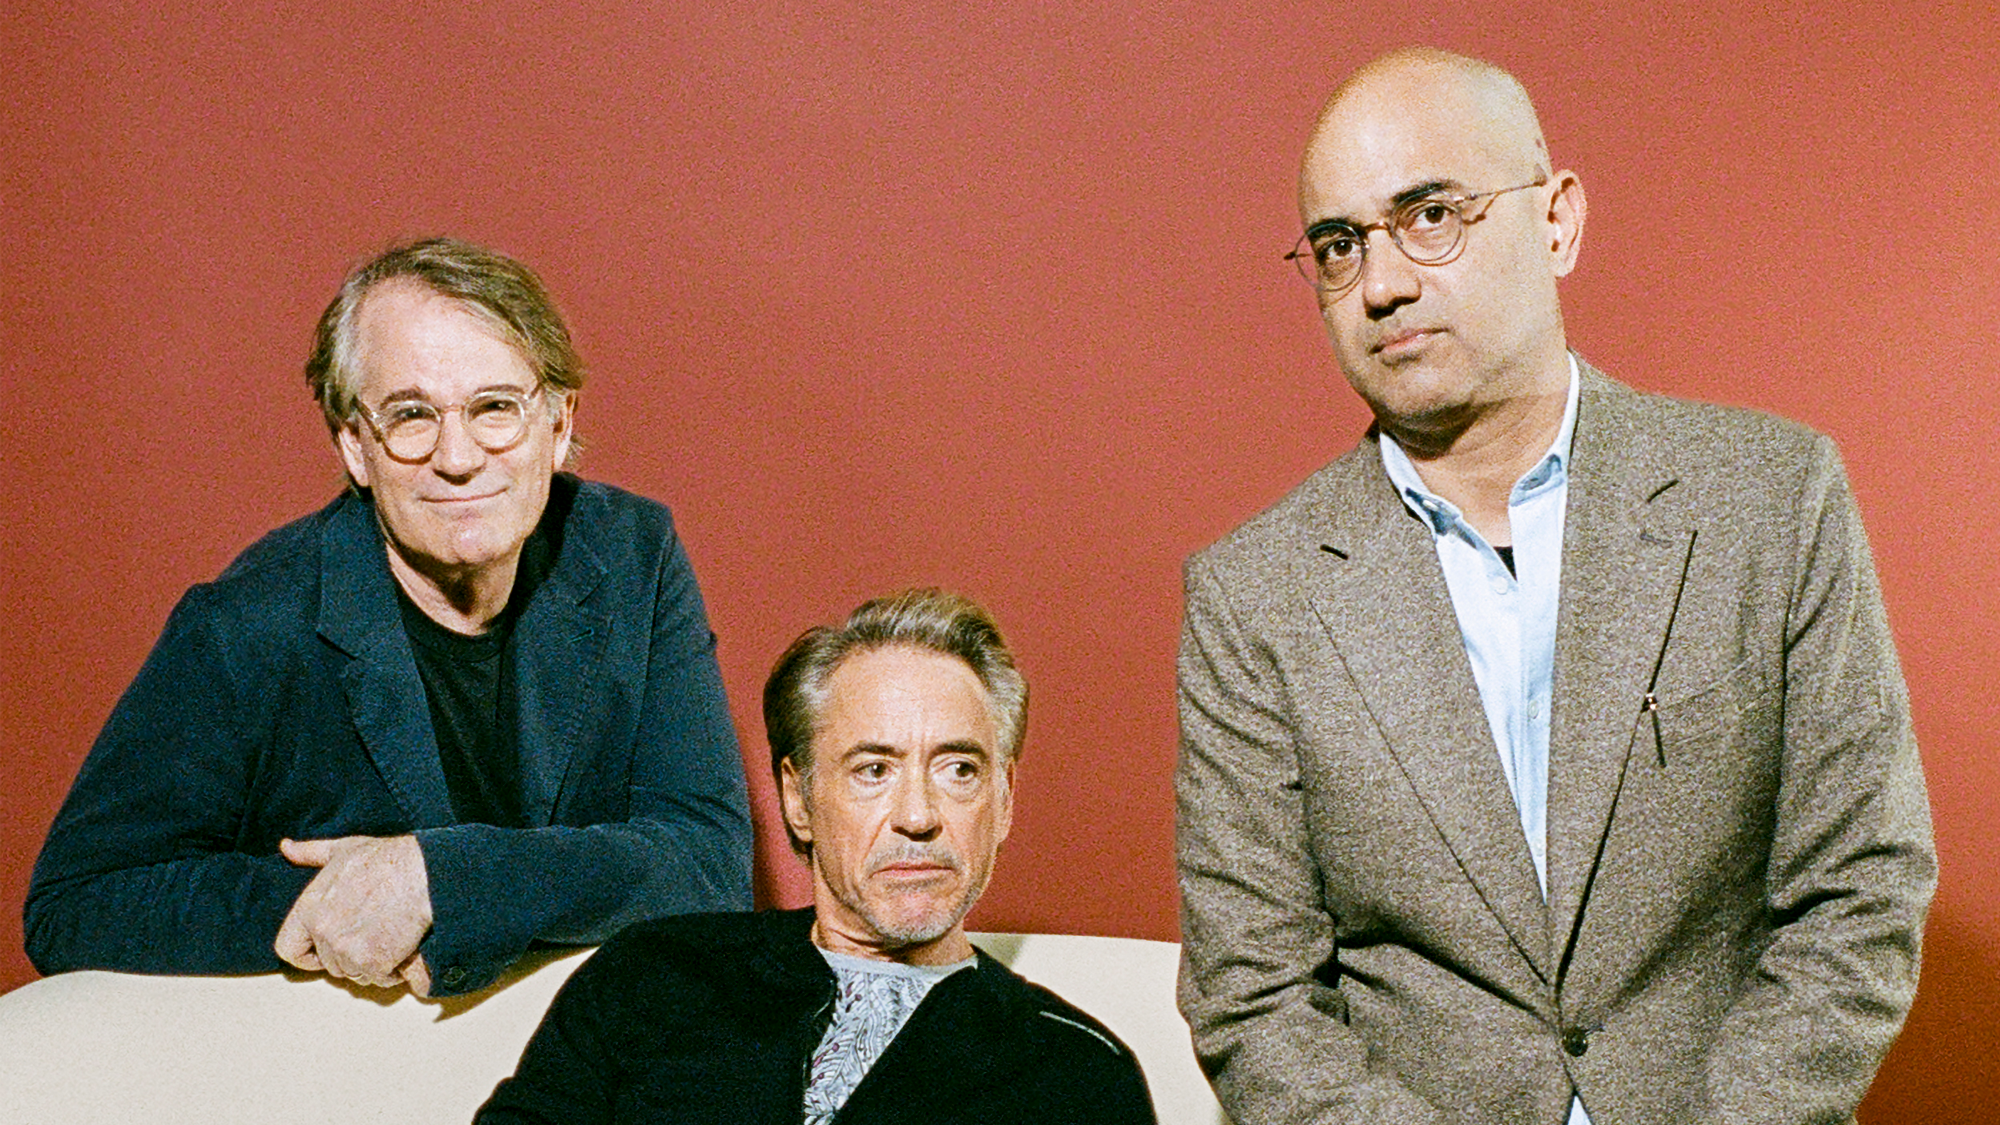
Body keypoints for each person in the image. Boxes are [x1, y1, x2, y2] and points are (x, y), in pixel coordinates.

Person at [1175, 47, 1934, 1125]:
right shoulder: (1252, 596)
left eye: (1430, 214)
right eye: (1338, 247)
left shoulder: (1767, 497)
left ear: (1556, 221)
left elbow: (1859, 885)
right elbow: (1251, 1003)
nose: (1381, 284)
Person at [26, 237, 752, 998]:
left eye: (495, 408)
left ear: (560, 423)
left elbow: (708, 864)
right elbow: (74, 902)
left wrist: (440, 878)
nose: (458, 456)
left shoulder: (634, 554)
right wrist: (338, 901)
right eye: (411, 416)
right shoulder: (248, 624)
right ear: (355, 446)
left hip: (578, 1046)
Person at [477, 589, 1157, 1124]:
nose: (918, 816)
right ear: (797, 798)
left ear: (1004, 799)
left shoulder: (1076, 1073)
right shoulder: (654, 978)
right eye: (872, 770)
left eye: (958, 769)